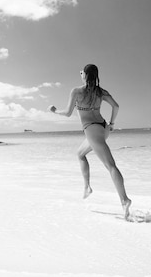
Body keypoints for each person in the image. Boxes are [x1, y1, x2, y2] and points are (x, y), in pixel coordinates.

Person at [49, 64, 132, 220]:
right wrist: (112, 124)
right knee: (80, 154)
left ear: (85, 75)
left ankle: (124, 200)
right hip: (103, 127)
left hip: (92, 131)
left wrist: (54, 111)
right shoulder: (101, 92)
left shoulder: (77, 91)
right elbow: (116, 106)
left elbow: (67, 113)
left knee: (111, 165)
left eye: (82, 73)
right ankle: (87, 187)